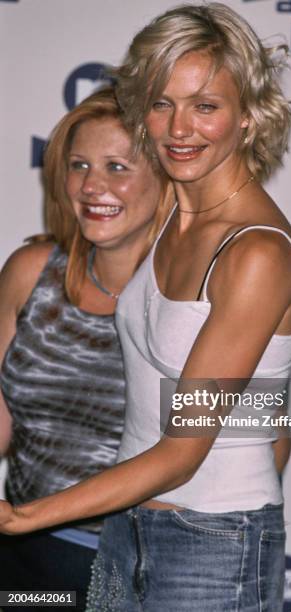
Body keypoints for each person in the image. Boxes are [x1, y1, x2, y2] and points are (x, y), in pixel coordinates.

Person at [0, 4, 291, 611]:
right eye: (162, 103)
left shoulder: (255, 255)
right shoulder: (174, 216)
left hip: (211, 544)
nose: (178, 128)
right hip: (128, 533)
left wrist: (21, 516)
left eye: (205, 106)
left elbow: (184, 449)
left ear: (248, 116)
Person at [0, 87, 170, 610]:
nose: (92, 186)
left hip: (144, 565)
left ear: (167, 180)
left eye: (118, 166)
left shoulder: (197, 295)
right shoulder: (31, 271)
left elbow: (270, 435)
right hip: (24, 554)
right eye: (79, 165)